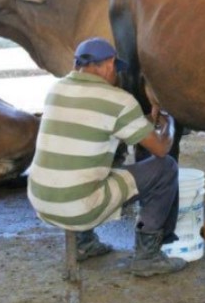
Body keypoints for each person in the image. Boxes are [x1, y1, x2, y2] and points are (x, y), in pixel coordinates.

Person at [27, 37, 186, 277]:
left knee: (85, 161)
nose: (116, 77)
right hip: (79, 207)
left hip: (41, 200)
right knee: (166, 169)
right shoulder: (117, 100)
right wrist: (169, 122)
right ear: (110, 65)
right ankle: (147, 256)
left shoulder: (56, 89)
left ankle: (84, 242)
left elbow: (92, 125)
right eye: (115, 70)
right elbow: (161, 149)